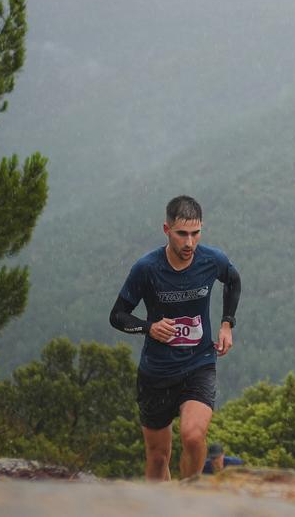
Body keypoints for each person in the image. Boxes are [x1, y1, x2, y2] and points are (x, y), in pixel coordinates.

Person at [109, 195, 241, 480]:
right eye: (182, 234)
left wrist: (227, 323)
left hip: (198, 364)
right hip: (156, 373)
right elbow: (117, 316)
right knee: (157, 459)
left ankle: (190, 498)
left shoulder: (211, 260)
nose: (189, 243)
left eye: (196, 233)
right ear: (167, 230)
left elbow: (233, 280)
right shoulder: (147, 268)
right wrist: (149, 327)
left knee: (193, 436)